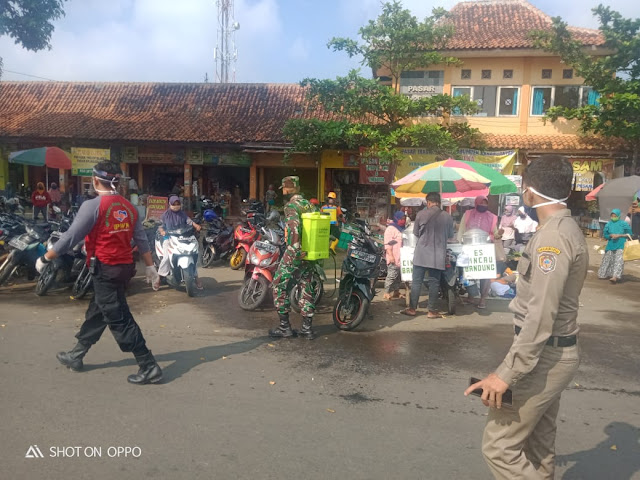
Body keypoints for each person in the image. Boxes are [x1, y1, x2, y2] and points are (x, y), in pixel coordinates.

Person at [464, 155, 587, 480]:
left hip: (543, 356)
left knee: (499, 447)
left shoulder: (552, 238)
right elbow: (544, 293)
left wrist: (506, 374)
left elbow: (540, 316)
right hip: (552, 353)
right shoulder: (562, 228)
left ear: (530, 192)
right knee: (538, 444)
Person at [35, 161, 162, 385]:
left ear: (95, 180)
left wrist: (46, 257)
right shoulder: (129, 207)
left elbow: (70, 237)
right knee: (99, 310)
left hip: (106, 269)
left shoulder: (93, 205)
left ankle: (148, 364)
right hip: (124, 269)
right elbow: (141, 239)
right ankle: (77, 354)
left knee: (118, 317)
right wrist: (150, 267)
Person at [269, 176, 317, 340]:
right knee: (306, 287)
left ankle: (285, 327)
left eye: (283, 189)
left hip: (295, 252)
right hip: (310, 253)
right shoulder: (310, 205)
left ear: (288, 189)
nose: (282, 191)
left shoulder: (291, 206)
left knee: (278, 285)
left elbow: (294, 230)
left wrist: (294, 251)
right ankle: (307, 329)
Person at [402, 192, 454, 318]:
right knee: (434, 282)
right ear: (439, 202)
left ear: (428, 202)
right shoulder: (447, 217)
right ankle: (431, 311)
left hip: (421, 253)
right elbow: (450, 236)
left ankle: (412, 309)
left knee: (416, 282)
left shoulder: (421, 214)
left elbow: (416, 233)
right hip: (437, 254)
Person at [458, 195, 498, 309]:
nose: (483, 206)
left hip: (485, 249)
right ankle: (471, 296)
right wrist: (460, 243)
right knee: (469, 272)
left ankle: (482, 299)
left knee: (485, 275)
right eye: (481, 203)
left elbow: (495, 233)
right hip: (469, 248)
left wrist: (498, 234)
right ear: (476, 203)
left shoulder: (492, 217)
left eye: (485, 204)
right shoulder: (468, 214)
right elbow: (462, 229)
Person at [156, 195, 203, 290]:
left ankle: (196, 278)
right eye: (174, 204)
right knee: (166, 258)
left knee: (192, 254)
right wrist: (162, 231)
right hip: (169, 237)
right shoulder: (165, 215)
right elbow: (160, 225)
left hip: (182, 237)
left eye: (178, 204)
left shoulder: (182, 214)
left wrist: (196, 225)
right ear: (170, 204)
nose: (176, 206)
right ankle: (159, 279)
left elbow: (189, 221)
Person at [598, 208, 632, 283]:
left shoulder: (624, 224)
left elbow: (630, 234)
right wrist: (610, 235)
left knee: (618, 261)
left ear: (619, 216)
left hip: (621, 244)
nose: (613, 217)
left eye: (615, 215)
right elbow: (605, 235)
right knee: (607, 260)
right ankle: (604, 274)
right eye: (612, 215)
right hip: (611, 244)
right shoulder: (608, 224)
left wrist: (619, 235)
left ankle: (615, 276)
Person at [383, 210, 406, 300]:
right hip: (393, 255)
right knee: (392, 275)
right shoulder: (390, 229)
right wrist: (391, 255)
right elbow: (388, 244)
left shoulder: (402, 228)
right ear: (396, 218)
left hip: (401, 256)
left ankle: (396, 291)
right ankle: (386, 292)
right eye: (401, 219)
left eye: (404, 219)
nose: (403, 220)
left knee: (398, 276)